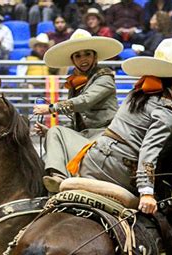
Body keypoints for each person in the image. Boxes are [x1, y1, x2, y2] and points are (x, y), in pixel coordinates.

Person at [77, 38, 172, 214]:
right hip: (118, 170)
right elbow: (150, 148)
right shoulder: (168, 109)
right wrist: (146, 191)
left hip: (92, 160)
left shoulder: (136, 94)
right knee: (170, 209)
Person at [32, 29, 123, 192]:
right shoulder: (75, 84)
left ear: (94, 57)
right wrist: (49, 133)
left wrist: (51, 108)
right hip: (84, 135)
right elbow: (77, 122)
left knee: (57, 132)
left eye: (87, 54)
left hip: (103, 134)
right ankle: (56, 178)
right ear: (73, 60)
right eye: (78, 56)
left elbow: (85, 101)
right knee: (54, 131)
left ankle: (59, 179)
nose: (83, 59)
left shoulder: (105, 78)